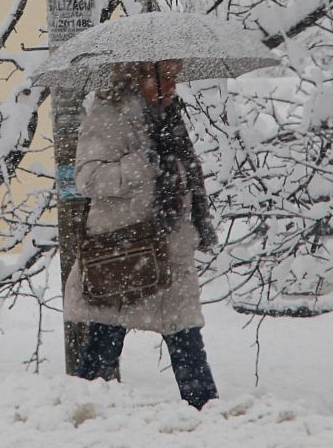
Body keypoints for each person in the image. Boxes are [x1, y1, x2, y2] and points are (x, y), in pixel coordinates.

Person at [63, 59, 219, 409]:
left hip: (169, 244)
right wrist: (144, 163)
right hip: (127, 248)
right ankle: (81, 409)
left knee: (183, 332)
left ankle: (203, 408)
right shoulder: (110, 116)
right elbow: (87, 179)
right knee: (105, 337)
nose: (175, 85)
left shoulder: (167, 116)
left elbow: (180, 171)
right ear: (141, 75)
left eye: (178, 77)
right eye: (168, 77)